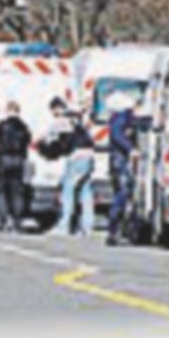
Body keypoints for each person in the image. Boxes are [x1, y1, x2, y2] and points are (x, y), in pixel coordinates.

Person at [44, 98, 96, 237]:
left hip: (76, 156)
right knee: (85, 192)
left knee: (68, 191)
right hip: (89, 155)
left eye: (53, 111)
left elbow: (52, 141)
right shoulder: (76, 118)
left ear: (56, 108)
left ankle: (63, 226)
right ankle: (87, 227)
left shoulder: (62, 121)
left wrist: (47, 149)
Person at [0, 100, 32, 232]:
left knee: (1, 191)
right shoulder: (23, 127)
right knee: (17, 192)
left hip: (3, 159)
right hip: (18, 160)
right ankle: (17, 221)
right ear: (18, 111)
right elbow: (27, 141)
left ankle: (3, 221)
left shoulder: (1, 125)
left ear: (8, 111)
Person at [106, 92, 139, 246]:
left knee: (123, 195)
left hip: (117, 161)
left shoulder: (118, 118)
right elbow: (117, 135)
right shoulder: (121, 118)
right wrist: (130, 148)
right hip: (121, 161)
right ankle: (115, 228)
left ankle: (117, 229)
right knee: (123, 195)